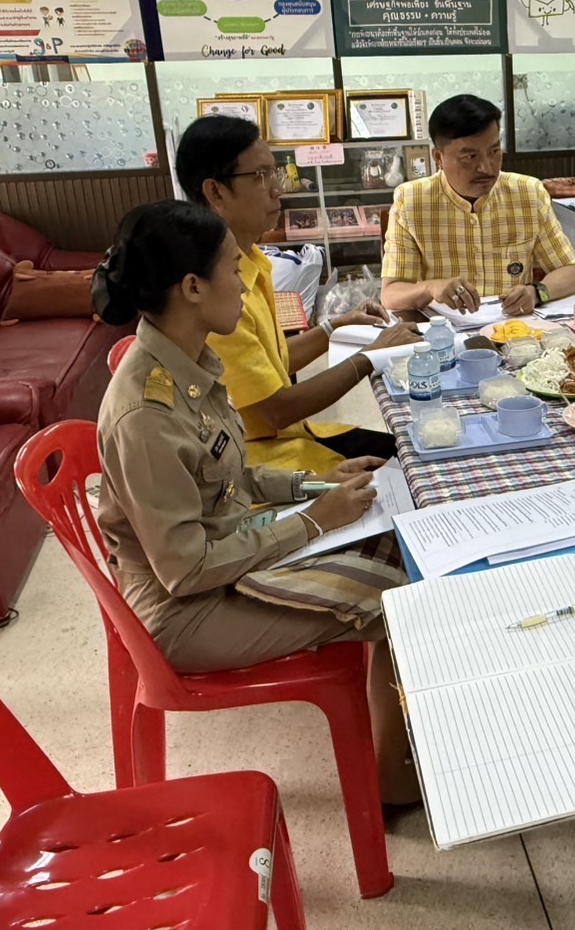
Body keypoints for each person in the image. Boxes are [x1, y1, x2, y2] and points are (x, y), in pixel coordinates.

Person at [92, 200, 418, 803]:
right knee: (401, 598)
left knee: (399, 543)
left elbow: (232, 475)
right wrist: (313, 523)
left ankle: (398, 752)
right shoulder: (145, 413)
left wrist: (316, 486)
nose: (243, 282)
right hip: (187, 611)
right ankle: (392, 780)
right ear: (192, 287)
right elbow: (184, 569)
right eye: (230, 268)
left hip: (227, 556)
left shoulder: (191, 358)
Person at [176, 115, 418, 477]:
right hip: (257, 465)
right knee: (414, 467)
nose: (277, 189)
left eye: (274, 173)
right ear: (215, 192)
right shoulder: (215, 289)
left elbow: (272, 362)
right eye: (259, 177)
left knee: (411, 444)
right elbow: (277, 408)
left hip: (292, 436)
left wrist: (335, 326)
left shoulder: (251, 260)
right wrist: (371, 357)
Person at [380, 94, 575, 317]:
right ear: (439, 157)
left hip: (514, 330)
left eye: (494, 152)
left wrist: (537, 292)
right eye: (470, 156)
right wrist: (431, 287)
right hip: (444, 334)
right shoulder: (411, 200)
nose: (486, 168)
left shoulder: (528, 193)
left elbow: (571, 272)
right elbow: (391, 294)